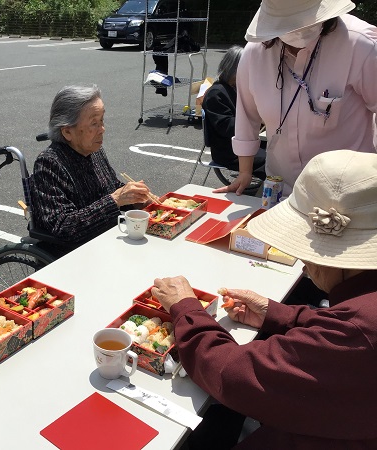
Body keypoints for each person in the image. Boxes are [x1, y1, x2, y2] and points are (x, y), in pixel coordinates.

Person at [152, 149, 377, 449]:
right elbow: (346, 325)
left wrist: (185, 308)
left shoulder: (357, 335)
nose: (302, 260)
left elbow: (233, 376)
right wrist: (281, 315)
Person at [216, 0, 377, 196]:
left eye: (304, 24)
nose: (297, 33)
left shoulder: (360, 44)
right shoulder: (254, 54)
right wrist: (244, 172)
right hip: (281, 186)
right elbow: (246, 115)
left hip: (347, 192)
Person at [30, 85, 153, 249]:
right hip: (74, 254)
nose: (102, 129)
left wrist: (135, 198)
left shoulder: (93, 150)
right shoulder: (49, 164)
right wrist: (115, 200)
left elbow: (111, 187)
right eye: (94, 123)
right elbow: (64, 227)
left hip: (105, 240)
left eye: (102, 120)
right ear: (67, 132)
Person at [201, 45, 265, 176]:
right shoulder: (216, 93)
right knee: (271, 161)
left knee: (281, 153)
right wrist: (257, 119)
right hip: (228, 151)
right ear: (235, 68)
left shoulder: (235, 88)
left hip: (243, 142)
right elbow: (227, 127)